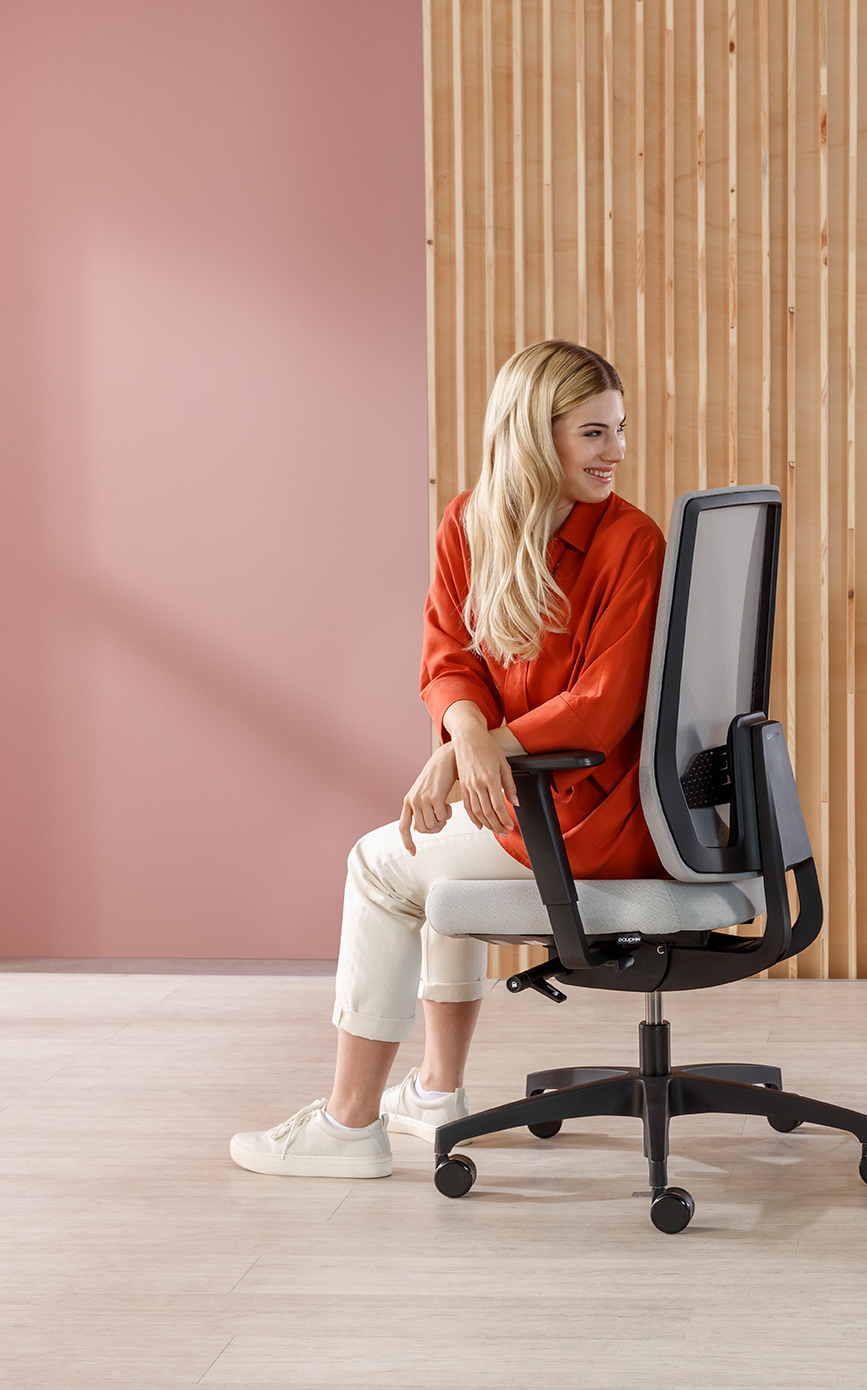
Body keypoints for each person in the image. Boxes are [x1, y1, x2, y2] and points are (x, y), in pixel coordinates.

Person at [231, 340, 666, 1178]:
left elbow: (602, 707)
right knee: (434, 860)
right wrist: (466, 739)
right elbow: (448, 657)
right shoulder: (469, 522)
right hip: (532, 799)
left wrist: (475, 751)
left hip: (594, 817)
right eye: (593, 433)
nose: (615, 451)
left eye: (618, 429)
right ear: (534, 434)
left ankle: (348, 1124)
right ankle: (434, 1093)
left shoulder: (631, 541)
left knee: (378, 865)